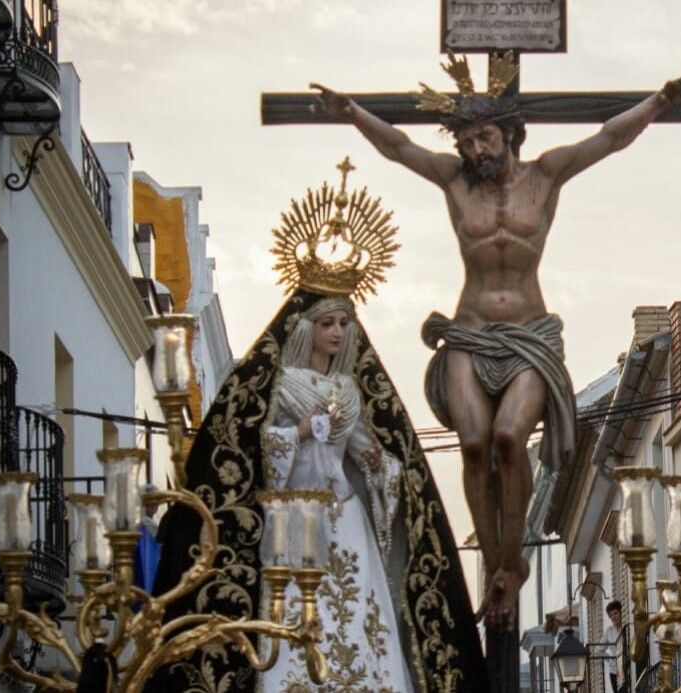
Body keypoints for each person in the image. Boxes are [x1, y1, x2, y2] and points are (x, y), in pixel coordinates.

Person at [311, 58, 681, 630]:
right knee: (473, 444)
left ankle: (512, 559)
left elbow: (610, 138)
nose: (476, 150)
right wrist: (350, 113)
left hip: (527, 337)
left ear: (510, 134)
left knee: (510, 440)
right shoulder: (452, 181)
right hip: (469, 332)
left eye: (485, 137)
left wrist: (660, 102)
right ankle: (494, 562)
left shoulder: (546, 175)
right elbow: (397, 147)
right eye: (467, 141)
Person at [147, 160, 486, 691]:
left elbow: (378, 462)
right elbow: (245, 455)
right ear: (307, 327)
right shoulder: (277, 388)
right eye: (327, 322)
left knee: (362, 627)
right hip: (292, 525)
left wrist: (379, 464)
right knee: (291, 635)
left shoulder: (353, 392)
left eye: (344, 322)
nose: (337, 331)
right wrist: (298, 434)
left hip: (347, 522)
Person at [602, 600, 630, 693]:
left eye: (616, 613)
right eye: (611, 615)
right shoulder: (609, 631)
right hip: (614, 671)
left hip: (627, 667)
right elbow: (599, 650)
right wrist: (610, 658)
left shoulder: (627, 627)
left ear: (621, 613)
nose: (614, 617)